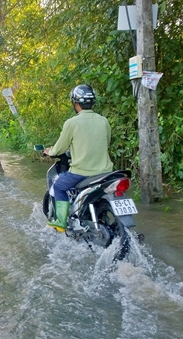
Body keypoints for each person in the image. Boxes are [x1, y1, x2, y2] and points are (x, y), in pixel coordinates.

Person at [43, 84, 113, 232]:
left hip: (82, 172)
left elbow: (59, 148)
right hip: (105, 172)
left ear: (76, 104)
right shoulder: (103, 121)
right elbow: (106, 143)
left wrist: (50, 151)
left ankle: (61, 222)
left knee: (58, 187)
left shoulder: (72, 123)